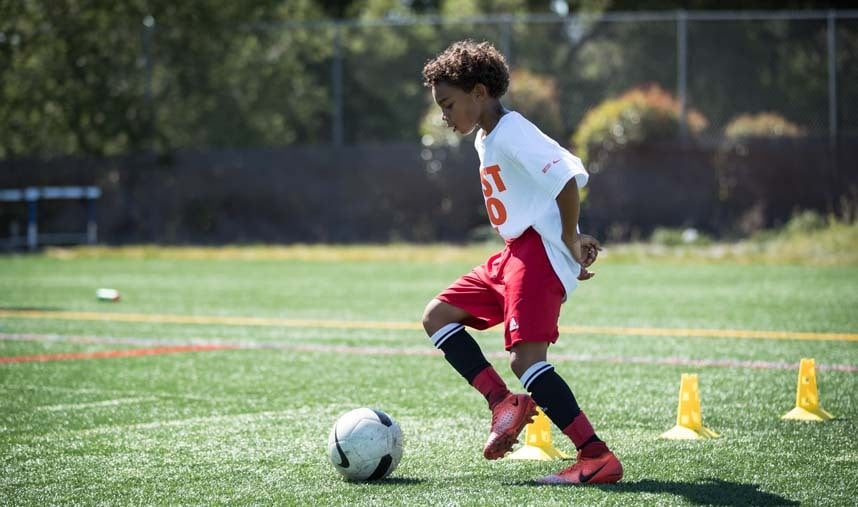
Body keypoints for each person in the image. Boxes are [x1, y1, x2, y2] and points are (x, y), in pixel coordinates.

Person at [420, 40, 622, 485]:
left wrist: (568, 239)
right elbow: (536, 197)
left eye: (448, 104)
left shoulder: (511, 132)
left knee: (526, 360)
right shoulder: (486, 137)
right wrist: (569, 237)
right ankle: (501, 404)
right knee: (438, 316)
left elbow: (566, 177)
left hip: (536, 255)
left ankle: (596, 457)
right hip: (514, 254)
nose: (444, 116)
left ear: (479, 92)